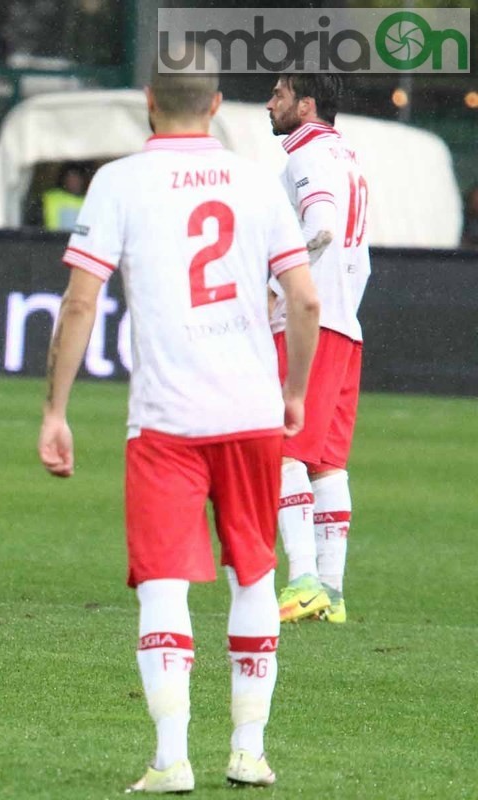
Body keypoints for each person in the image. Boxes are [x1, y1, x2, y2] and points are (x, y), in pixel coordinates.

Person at [38, 63, 320, 793]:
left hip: (166, 421)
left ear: (150, 103)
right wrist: (293, 394)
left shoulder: (121, 181)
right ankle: (249, 752)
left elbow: (79, 304)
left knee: (164, 583)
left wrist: (56, 411)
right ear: (219, 105)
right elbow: (305, 299)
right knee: (254, 572)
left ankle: (171, 759)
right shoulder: (259, 180)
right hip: (253, 415)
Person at [265, 74, 371, 625]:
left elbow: (322, 229)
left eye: (279, 95)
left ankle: (302, 579)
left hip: (312, 321)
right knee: (327, 462)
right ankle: (332, 591)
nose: (270, 103)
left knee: (284, 452)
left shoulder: (305, 154)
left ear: (306, 105)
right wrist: (343, 301)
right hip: (346, 322)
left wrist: (280, 287)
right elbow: (362, 253)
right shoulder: (349, 158)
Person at [41, 161, 89, 231]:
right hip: (52, 240)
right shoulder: (50, 197)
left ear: (83, 180)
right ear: (64, 179)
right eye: (70, 178)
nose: (73, 182)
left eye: (76, 178)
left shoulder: (90, 200)